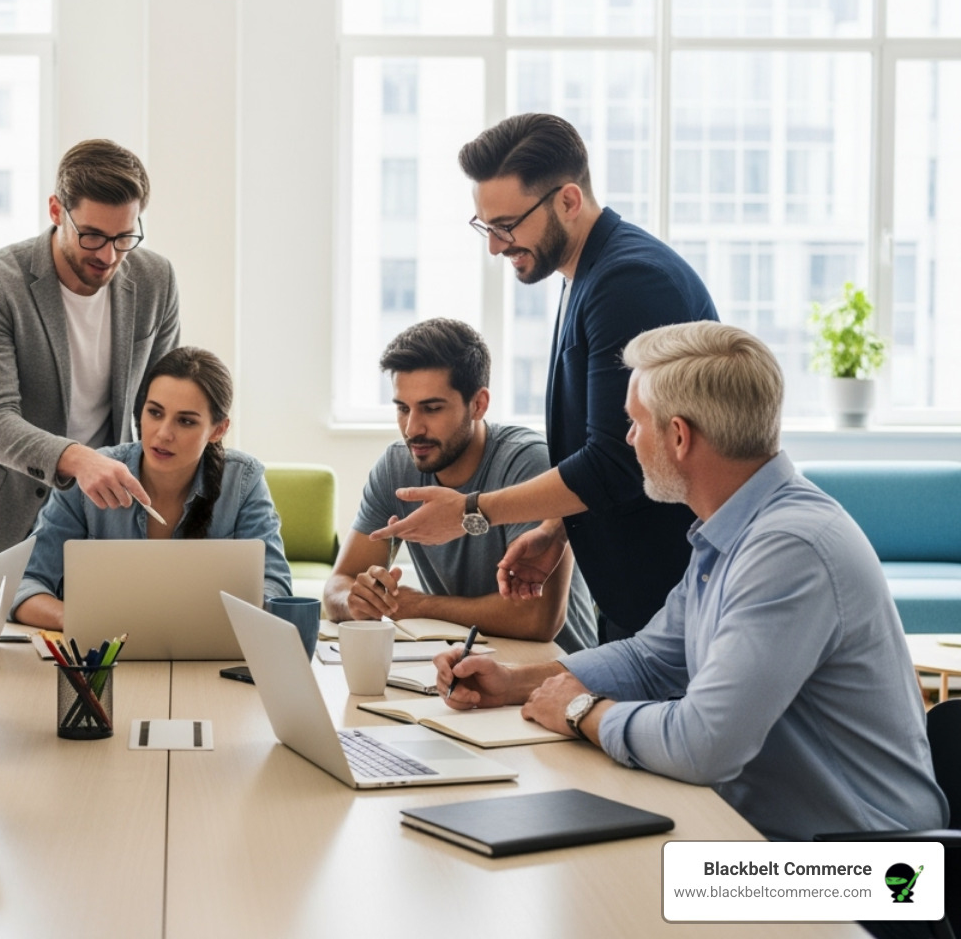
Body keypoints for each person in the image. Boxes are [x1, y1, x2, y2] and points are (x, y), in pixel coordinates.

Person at [434, 322, 947, 842]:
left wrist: (579, 709)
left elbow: (704, 745)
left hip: (865, 871)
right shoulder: (734, 529)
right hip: (769, 838)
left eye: (635, 423)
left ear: (679, 436)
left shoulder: (791, 548)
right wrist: (514, 683)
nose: (628, 439)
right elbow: (652, 658)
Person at [371, 113, 718, 643]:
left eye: (506, 225)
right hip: (646, 591)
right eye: (485, 226)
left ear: (569, 201)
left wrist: (471, 512)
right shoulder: (587, 273)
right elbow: (611, 444)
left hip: (675, 593)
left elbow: (617, 461)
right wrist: (557, 529)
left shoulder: (628, 281)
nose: (494, 245)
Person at [0, 139, 181, 612]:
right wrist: (79, 459)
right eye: (92, 236)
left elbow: (160, 401)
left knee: (98, 673)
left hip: (97, 524)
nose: (108, 255)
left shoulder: (155, 280)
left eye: (124, 237)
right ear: (56, 209)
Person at [325, 318, 596, 652]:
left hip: (555, 671)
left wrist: (422, 605)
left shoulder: (528, 462)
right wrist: (355, 601)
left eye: (432, 408)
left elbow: (537, 619)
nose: (412, 428)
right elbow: (338, 582)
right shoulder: (396, 466)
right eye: (402, 408)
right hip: (460, 668)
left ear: (479, 404)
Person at [12, 347, 289, 630]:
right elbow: (26, 585)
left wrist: (228, 620)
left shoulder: (244, 480)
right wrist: (84, 621)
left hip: (207, 657)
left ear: (218, 430)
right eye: (155, 413)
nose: (163, 433)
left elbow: (275, 585)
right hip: (106, 656)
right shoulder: (91, 477)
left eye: (186, 421)